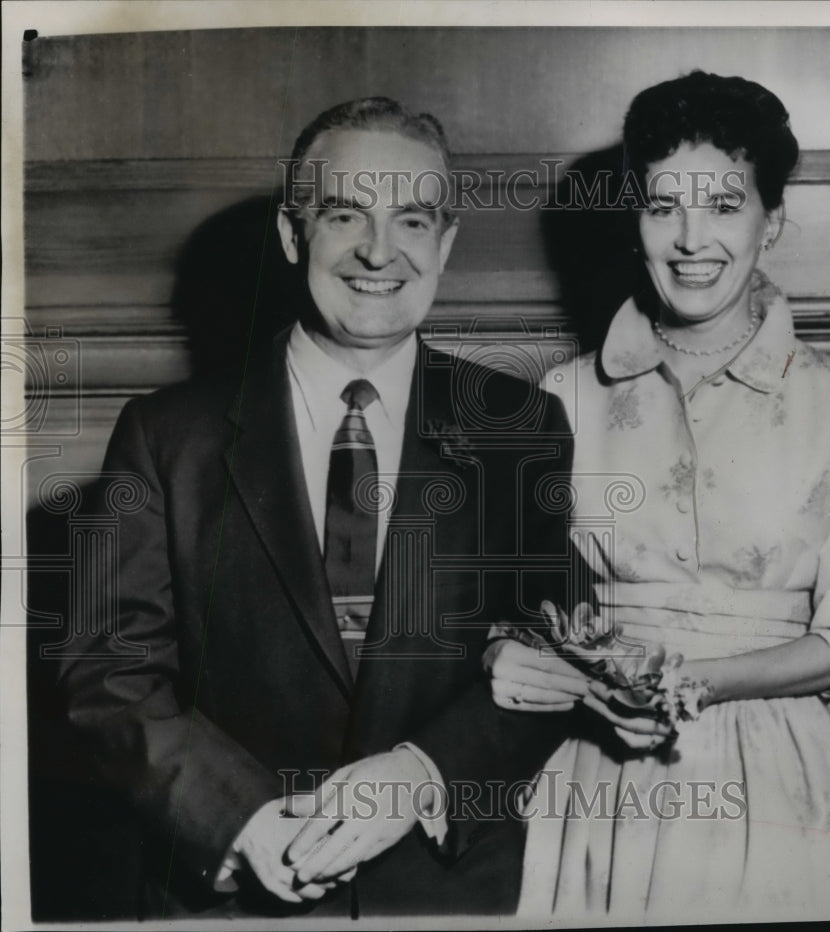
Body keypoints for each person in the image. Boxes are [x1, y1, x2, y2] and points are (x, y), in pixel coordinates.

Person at [57, 97, 574, 918]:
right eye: (345, 215)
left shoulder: (519, 427)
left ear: (444, 244)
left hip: (447, 889)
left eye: (412, 221)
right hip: (231, 898)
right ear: (295, 236)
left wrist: (423, 773)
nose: (380, 251)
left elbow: (555, 653)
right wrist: (241, 820)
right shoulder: (166, 436)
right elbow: (108, 676)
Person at [487, 71, 830, 920]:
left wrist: (697, 681)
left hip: (792, 777)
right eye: (664, 208)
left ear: (773, 222)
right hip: (597, 769)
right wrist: (544, 665)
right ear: (635, 220)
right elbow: (507, 608)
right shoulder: (560, 396)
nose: (693, 239)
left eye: (725, 204)